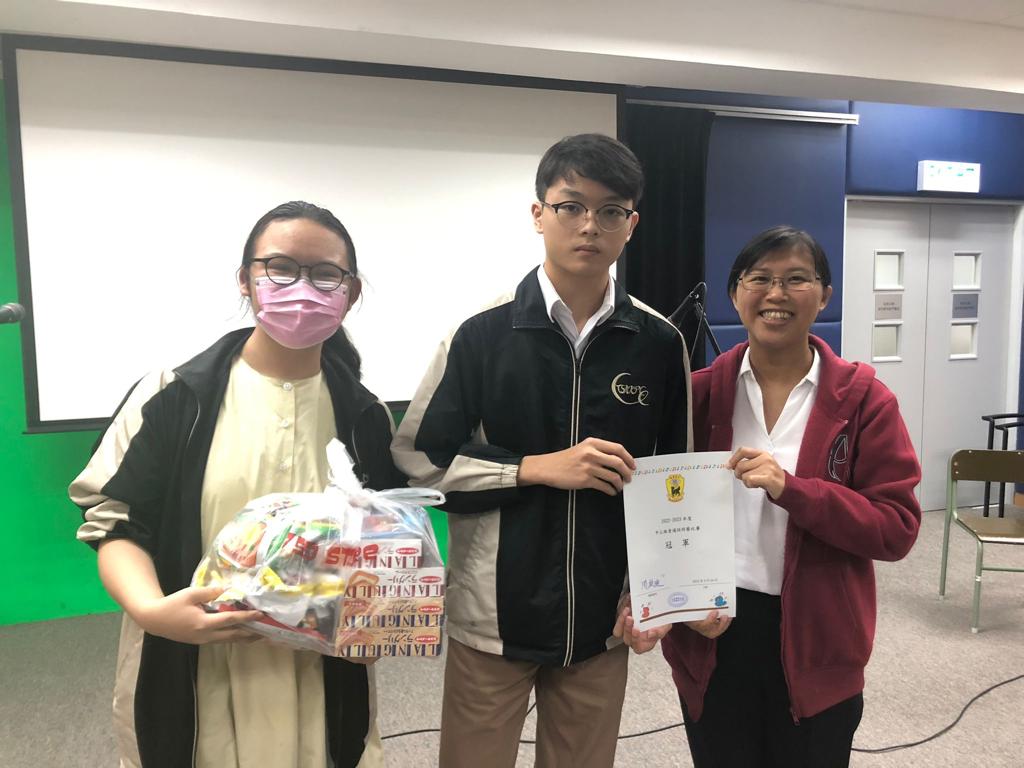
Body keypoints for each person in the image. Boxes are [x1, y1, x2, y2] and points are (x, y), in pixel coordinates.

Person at [391, 133, 692, 768]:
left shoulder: (660, 343)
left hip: (602, 620)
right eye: (571, 206)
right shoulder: (481, 334)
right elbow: (419, 463)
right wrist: (531, 469)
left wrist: (656, 592)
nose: (590, 226)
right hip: (492, 619)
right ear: (538, 214)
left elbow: (674, 483)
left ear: (632, 225)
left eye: (610, 211)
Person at [70, 201, 404, 768]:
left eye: (326, 274)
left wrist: (380, 615)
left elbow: (386, 547)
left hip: (320, 670)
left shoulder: (364, 417)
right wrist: (153, 611)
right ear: (245, 280)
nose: (303, 288)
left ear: (350, 294)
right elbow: (114, 521)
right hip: (196, 661)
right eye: (281, 268)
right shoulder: (175, 396)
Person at [661, 225, 922, 768]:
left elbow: (896, 529)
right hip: (714, 631)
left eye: (796, 279)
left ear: (824, 296)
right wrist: (677, 604)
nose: (776, 294)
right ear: (735, 293)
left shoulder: (865, 402)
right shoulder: (697, 395)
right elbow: (662, 514)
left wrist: (794, 490)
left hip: (819, 637)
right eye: (759, 278)